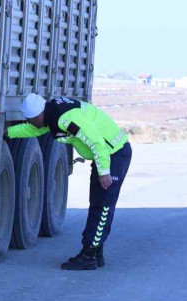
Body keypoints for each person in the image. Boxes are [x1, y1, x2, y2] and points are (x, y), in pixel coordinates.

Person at [7, 94, 132, 270]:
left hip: (114, 155)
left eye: (30, 119)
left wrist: (104, 172)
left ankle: (88, 255)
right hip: (107, 156)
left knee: (103, 206)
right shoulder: (52, 114)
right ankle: (96, 252)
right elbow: (34, 130)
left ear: (37, 115)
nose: (30, 122)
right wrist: (9, 132)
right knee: (98, 203)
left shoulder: (66, 119)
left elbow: (96, 142)